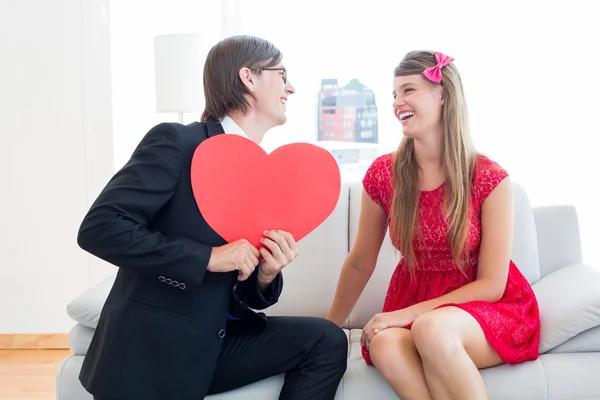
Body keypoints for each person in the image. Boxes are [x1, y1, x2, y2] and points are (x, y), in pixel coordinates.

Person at [77, 35, 347, 400]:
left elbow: (243, 288)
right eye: (282, 74)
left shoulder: (263, 175)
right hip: (157, 347)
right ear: (248, 78)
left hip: (215, 341)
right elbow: (101, 228)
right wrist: (209, 257)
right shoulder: (177, 143)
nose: (291, 87)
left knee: (326, 339)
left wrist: (266, 276)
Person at [326, 51, 540, 400]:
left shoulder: (488, 178)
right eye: (394, 94)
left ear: (443, 95)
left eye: (408, 90)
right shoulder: (384, 175)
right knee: (385, 345)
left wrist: (407, 314)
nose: (398, 103)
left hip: (485, 309)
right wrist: (329, 329)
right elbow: (360, 261)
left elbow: (491, 284)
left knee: (432, 329)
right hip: (418, 300)